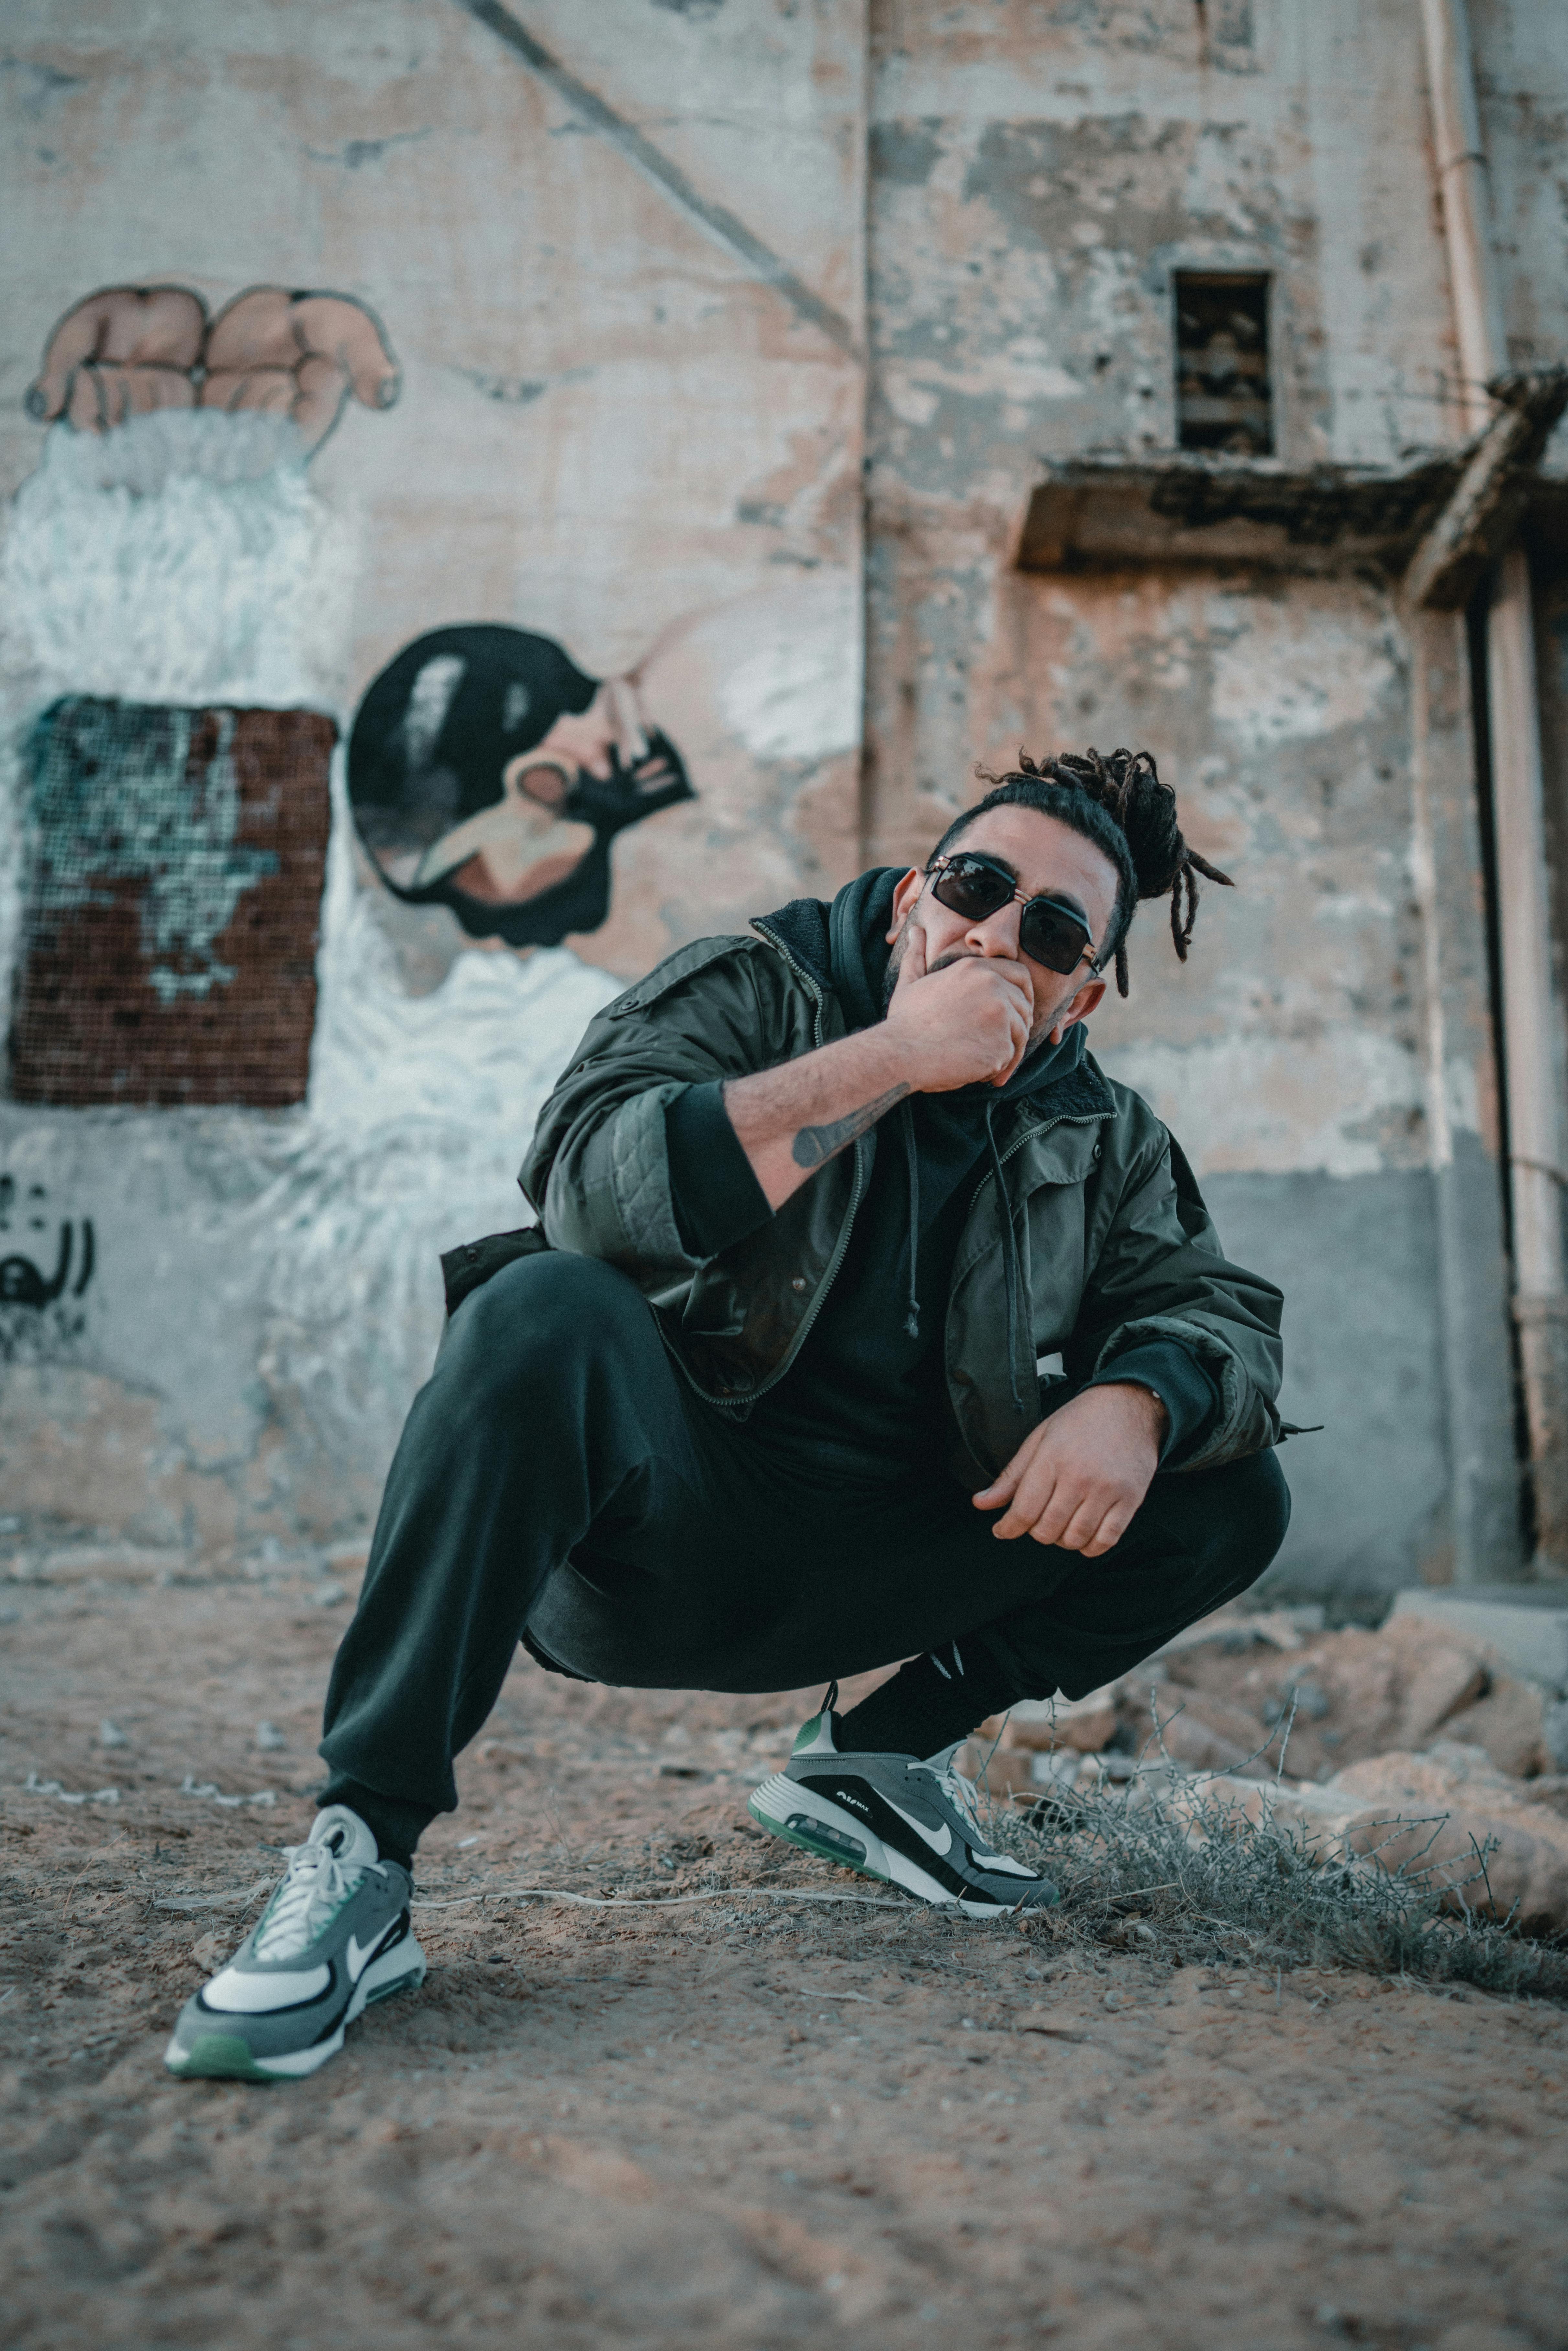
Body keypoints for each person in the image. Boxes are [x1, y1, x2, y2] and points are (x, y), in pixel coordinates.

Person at [164, 747, 1289, 2082]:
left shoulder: (1103, 1136)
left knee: (1231, 1485)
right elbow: (590, 1187)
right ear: (908, 902)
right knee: (539, 1307)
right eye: (977, 887)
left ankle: (873, 1760)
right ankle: (362, 1856)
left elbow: (1222, 1311)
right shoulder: (753, 988)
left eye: (1051, 929)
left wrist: (1137, 1397)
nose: (998, 934)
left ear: (1079, 992)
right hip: (655, 1544)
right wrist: (890, 1059)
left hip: (892, 1569)